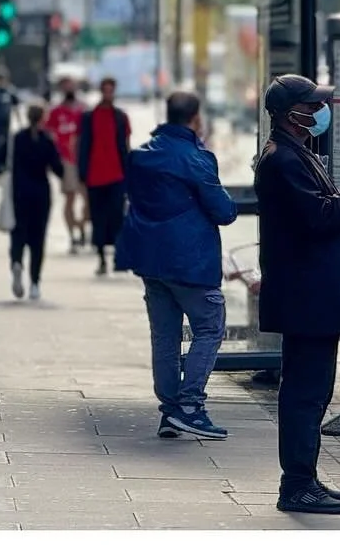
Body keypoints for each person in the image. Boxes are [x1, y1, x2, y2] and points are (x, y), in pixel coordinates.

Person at [253, 74, 340, 515]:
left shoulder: (295, 153)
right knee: (305, 392)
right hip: (306, 299)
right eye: (312, 104)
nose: (319, 110)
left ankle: (306, 478)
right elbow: (318, 217)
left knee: (314, 389)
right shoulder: (282, 160)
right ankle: (297, 485)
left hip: (311, 298)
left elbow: (321, 213)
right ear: (293, 114)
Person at [116, 90, 239, 439]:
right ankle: (190, 406)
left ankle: (170, 411)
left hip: (151, 261)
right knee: (209, 328)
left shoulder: (141, 157)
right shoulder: (195, 158)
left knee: (165, 337)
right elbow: (224, 211)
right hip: (191, 262)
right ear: (195, 118)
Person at [9, 104, 65, 301]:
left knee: (18, 233)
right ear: (42, 118)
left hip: (19, 194)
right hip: (41, 195)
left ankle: (16, 262)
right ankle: (34, 282)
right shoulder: (47, 140)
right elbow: (58, 169)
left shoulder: (17, 139)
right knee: (38, 240)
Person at [78, 76, 132, 275]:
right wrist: (82, 172)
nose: (108, 94)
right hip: (95, 174)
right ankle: (101, 257)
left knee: (117, 216)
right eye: (106, 90)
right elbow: (83, 145)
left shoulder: (120, 117)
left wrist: (128, 171)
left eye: (111, 90)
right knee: (98, 217)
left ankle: (119, 255)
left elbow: (125, 146)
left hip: (116, 174)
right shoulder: (89, 117)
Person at [45, 79, 89, 253]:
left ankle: (82, 226)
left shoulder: (83, 109)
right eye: (66, 86)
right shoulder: (56, 111)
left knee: (88, 199)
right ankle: (73, 235)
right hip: (66, 160)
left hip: (82, 158)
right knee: (70, 198)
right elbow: (49, 132)